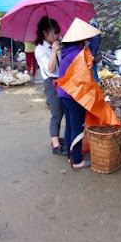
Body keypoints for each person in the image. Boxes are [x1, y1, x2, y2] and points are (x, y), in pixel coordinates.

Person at [58, 18, 101, 170]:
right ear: (80, 39)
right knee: (77, 127)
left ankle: (71, 155)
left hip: (63, 94)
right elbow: (83, 79)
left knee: (69, 125)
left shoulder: (66, 52)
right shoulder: (79, 55)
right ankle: (77, 161)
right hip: (73, 96)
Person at [34, 16, 66, 156]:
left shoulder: (52, 46)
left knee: (63, 110)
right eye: (54, 32)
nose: (56, 35)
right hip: (51, 83)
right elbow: (51, 68)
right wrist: (53, 51)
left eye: (57, 32)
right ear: (45, 32)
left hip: (60, 81)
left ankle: (58, 138)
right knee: (56, 113)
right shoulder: (40, 50)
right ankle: (55, 145)